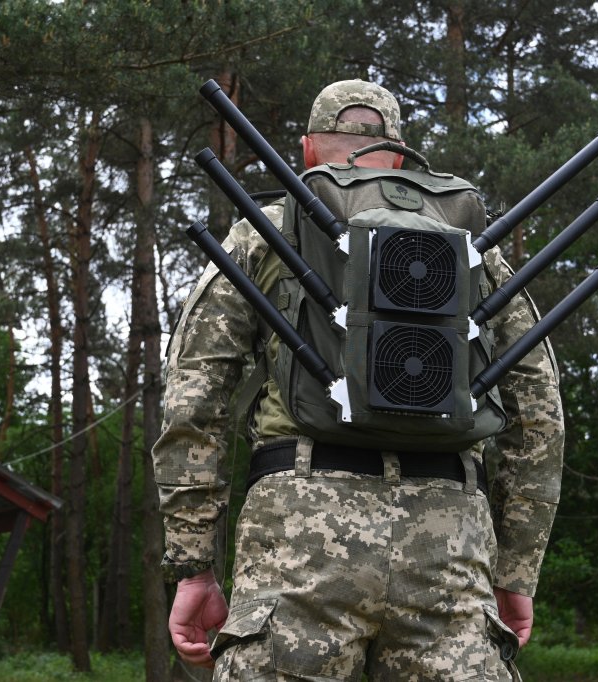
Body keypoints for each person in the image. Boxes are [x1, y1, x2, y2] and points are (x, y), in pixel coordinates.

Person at [153, 79, 564, 681]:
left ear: (308, 150)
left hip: (298, 534)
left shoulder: (268, 230)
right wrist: (516, 572)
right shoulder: (472, 245)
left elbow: (194, 394)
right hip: (450, 539)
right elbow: (539, 412)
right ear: (398, 158)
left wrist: (192, 564)